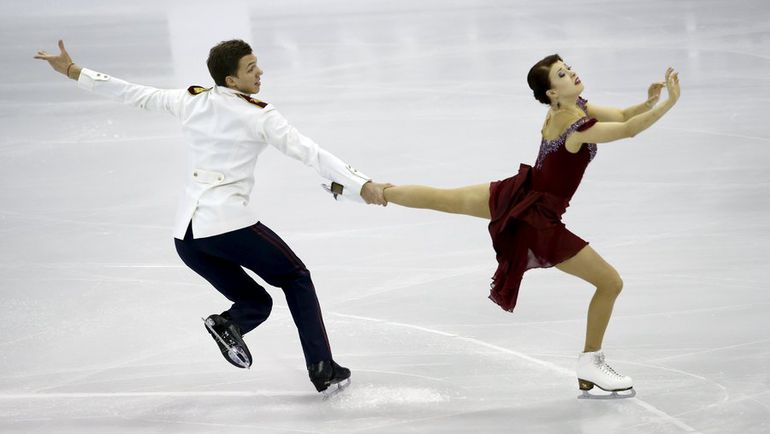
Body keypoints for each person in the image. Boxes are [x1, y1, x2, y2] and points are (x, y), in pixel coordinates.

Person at [34, 39, 390, 396]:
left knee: (257, 302)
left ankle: (230, 323)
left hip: (187, 239)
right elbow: (310, 153)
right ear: (231, 80)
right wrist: (362, 184)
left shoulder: (191, 99)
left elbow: (135, 94)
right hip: (228, 226)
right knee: (296, 278)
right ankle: (323, 369)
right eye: (251, 68)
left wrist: (71, 71)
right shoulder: (259, 114)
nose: (260, 72)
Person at [381, 54, 680, 395]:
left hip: (521, 193)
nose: (572, 73)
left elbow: (626, 116)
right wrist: (670, 103)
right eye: (562, 74)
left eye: (568, 68)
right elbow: (627, 131)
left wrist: (649, 101)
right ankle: (590, 362)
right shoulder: (575, 128)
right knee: (610, 283)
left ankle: (375, 190)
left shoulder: (573, 108)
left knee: (446, 199)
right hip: (539, 219)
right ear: (553, 93)